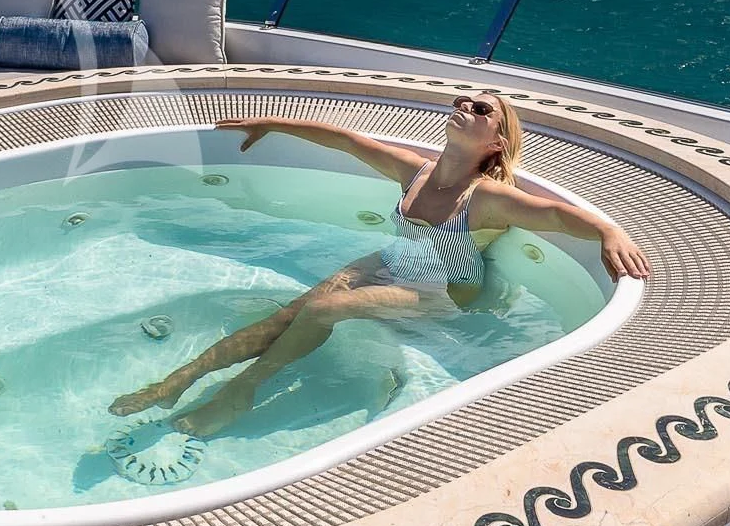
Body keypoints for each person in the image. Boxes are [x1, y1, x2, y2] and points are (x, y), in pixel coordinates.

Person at [109, 95, 652, 437]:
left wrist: (609, 229)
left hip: (441, 290)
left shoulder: (486, 196)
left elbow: (558, 213)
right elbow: (347, 140)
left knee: (322, 308)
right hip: (392, 263)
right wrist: (271, 122)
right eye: (464, 100)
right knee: (287, 314)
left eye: (483, 109)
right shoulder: (414, 171)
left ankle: (242, 389)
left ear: (497, 142)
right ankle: (178, 381)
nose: (466, 106)